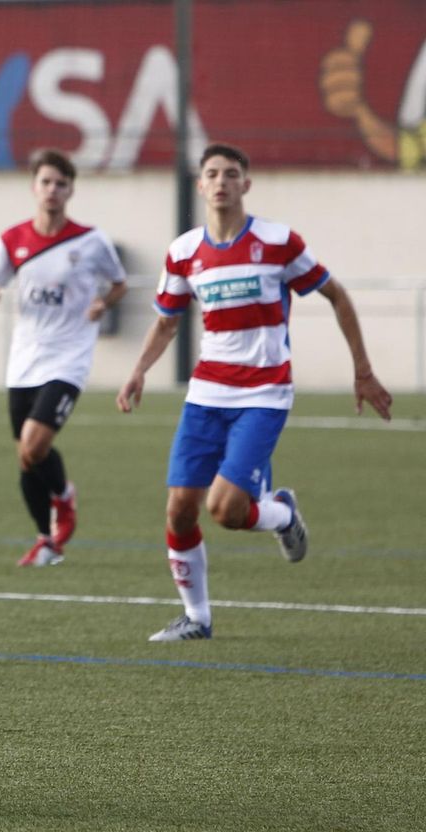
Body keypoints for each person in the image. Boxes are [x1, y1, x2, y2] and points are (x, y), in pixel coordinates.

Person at [116, 143, 393, 642]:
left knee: (224, 511)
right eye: (212, 174)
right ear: (200, 186)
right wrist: (138, 371)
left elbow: (337, 296)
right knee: (180, 509)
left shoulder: (279, 242)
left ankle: (282, 512)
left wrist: (363, 371)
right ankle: (197, 619)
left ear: (246, 184)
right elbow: (166, 322)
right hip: (206, 394)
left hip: (264, 394)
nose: (221, 182)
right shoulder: (183, 253)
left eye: (231, 173)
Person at [0, 148, 128, 567]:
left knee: (34, 442)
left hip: (68, 357)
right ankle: (46, 540)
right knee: (26, 457)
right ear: (34, 187)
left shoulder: (90, 241)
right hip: (24, 359)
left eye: (61, 183)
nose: (52, 190)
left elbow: (119, 284)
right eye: (46, 182)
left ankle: (64, 497)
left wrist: (103, 303)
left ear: (70, 190)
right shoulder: (12, 240)